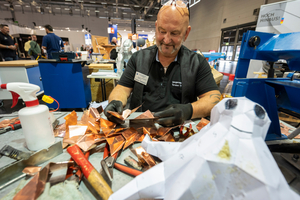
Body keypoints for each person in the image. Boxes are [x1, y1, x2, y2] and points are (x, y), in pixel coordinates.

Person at [104, 0, 221, 127]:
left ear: (186, 33)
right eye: (162, 31)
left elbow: (213, 98)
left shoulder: (196, 63)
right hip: (140, 131)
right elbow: (122, 88)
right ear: (156, 27)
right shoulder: (138, 59)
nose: (166, 39)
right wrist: (116, 101)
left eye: (174, 33)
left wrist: (188, 111)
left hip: (179, 133)